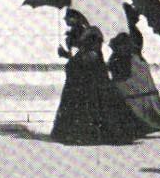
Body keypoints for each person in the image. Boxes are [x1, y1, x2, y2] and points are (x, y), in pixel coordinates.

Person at [50, 9, 145, 146]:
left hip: (91, 75)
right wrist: (66, 54)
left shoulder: (91, 33)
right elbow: (78, 54)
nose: (65, 20)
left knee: (96, 101)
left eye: (68, 17)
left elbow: (91, 54)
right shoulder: (76, 34)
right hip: (79, 75)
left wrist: (75, 56)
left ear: (77, 18)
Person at [106, 24, 160, 135]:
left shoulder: (125, 58)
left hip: (132, 89)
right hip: (142, 90)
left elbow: (122, 75)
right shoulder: (134, 57)